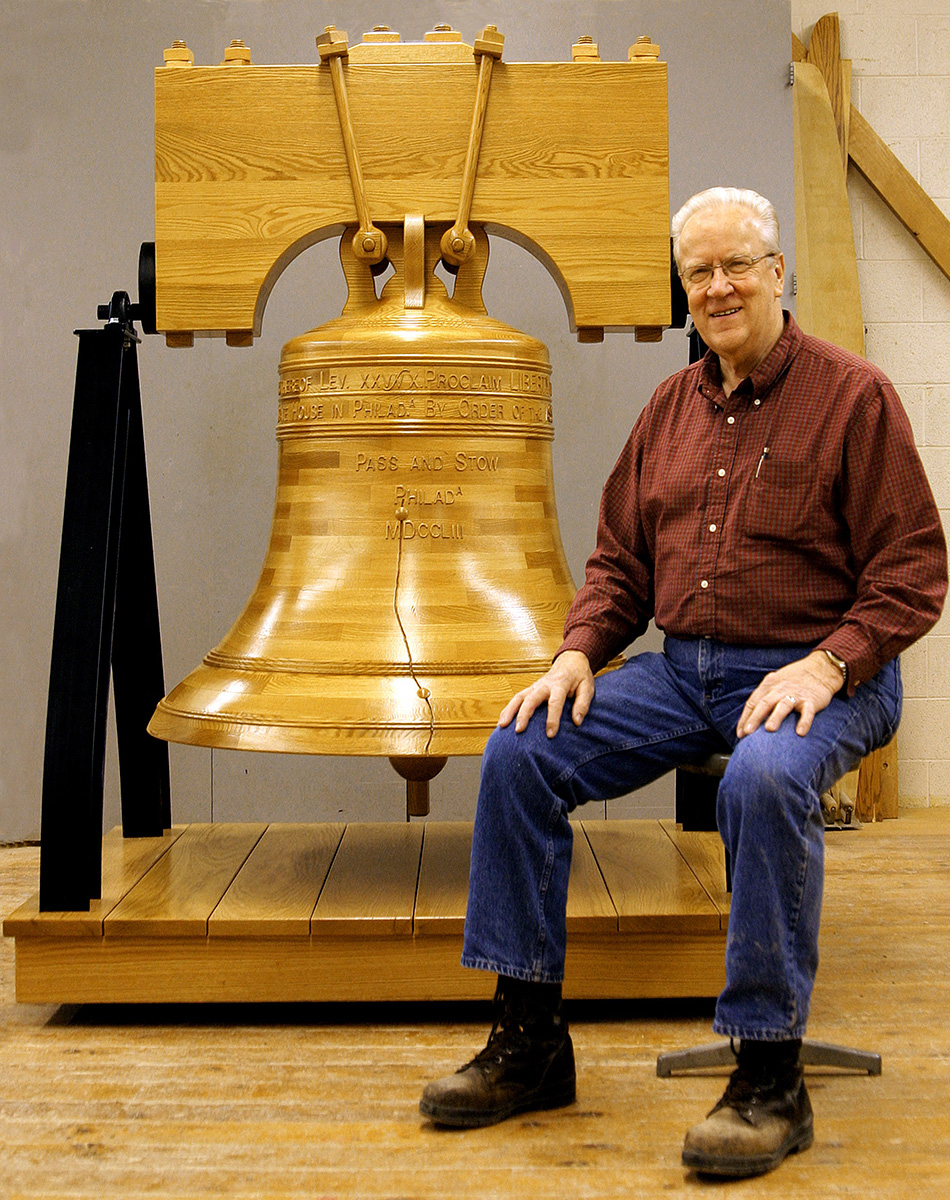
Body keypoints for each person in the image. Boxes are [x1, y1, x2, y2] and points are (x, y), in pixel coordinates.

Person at [418, 186, 948, 1176]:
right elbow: (620, 562)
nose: (717, 287)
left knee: (762, 779)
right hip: (683, 671)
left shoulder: (853, 398)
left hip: (827, 673)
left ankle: (768, 1076)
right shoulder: (669, 408)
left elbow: (912, 568)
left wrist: (830, 661)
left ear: (776, 272)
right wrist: (577, 652)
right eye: (698, 272)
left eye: (736, 264)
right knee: (520, 752)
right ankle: (529, 1043)